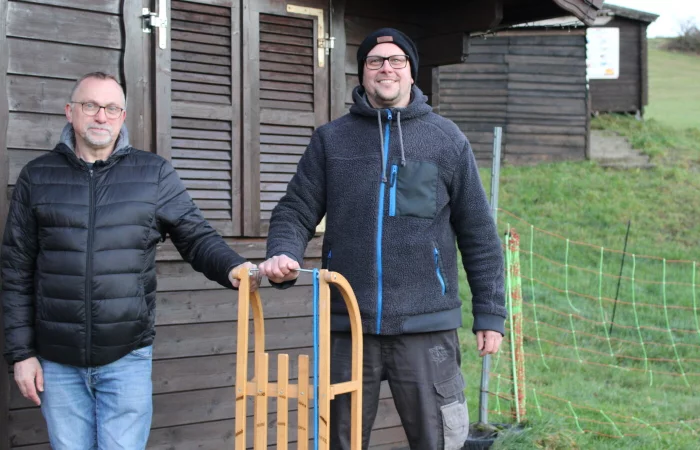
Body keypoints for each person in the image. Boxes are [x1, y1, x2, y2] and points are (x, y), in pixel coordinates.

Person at [258, 28, 506, 449]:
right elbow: (295, 209)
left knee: (440, 440)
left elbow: (478, 232)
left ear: (411, 72)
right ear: (362, 73)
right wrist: (283, 252)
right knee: (340, 441)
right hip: (348, 325)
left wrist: (491, 312)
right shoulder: (331, 140)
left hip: (427, 325)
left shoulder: (446, 140)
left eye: (396, 61)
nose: (385, 68)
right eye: (375, 61)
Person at [1, 72, 260, 450]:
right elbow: (16, 270)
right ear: (70, 112)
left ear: (123, 116)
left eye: (111, 108)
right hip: (57, 360)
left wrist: (231, 266)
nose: (100, 116)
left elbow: (195, 234)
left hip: (126, 357)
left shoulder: (152, 174)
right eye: (90, 106)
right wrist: (21, 354)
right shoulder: (37, 177)